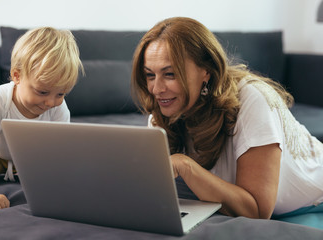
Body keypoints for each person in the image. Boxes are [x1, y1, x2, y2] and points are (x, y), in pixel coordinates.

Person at [131, 17, 323, 227]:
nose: (157, 89)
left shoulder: (252, 99)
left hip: (313, 202)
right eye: (150, 75)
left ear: (206, 71)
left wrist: (186, 166)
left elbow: (258, 211)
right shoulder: (164, 113)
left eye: (170, 74)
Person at [0, 27, 83, 210]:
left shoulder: (59, 108)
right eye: (42, 92)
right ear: (17, 76)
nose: (51, 102)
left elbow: (59, 151)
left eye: (61, 93)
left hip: (29, 157)